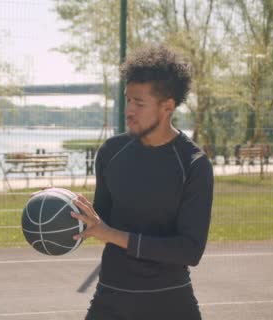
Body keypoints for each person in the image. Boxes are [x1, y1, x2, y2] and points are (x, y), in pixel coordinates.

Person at [71, 45, 214, 320]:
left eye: (139, 103)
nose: (129, 111)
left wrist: (111, 234)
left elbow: (189, 250)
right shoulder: (111, 153)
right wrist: (62, 205)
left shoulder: (193, 164)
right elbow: (97, 224)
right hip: (111, 299)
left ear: (167, 107)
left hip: (171, 303)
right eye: (128, 100)